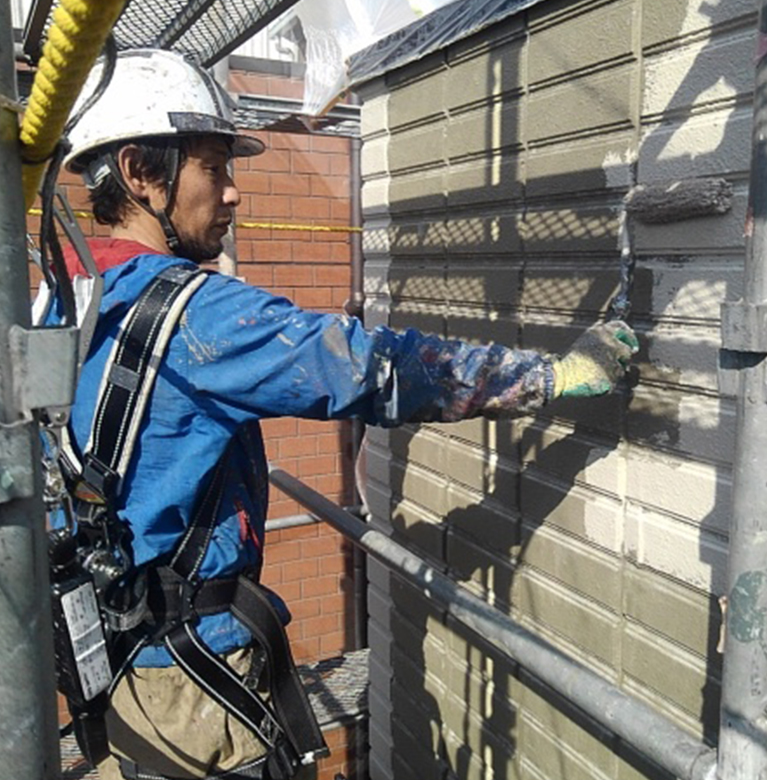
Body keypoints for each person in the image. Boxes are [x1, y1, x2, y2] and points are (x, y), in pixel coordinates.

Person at [44, 48, 638, 780]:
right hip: (190, 686)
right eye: (213, 167)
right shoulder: (195, 316)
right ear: (140, 172)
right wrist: (553, 375)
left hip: (114, 658)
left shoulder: (65, 298)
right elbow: (371, 368)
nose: (232, 194)